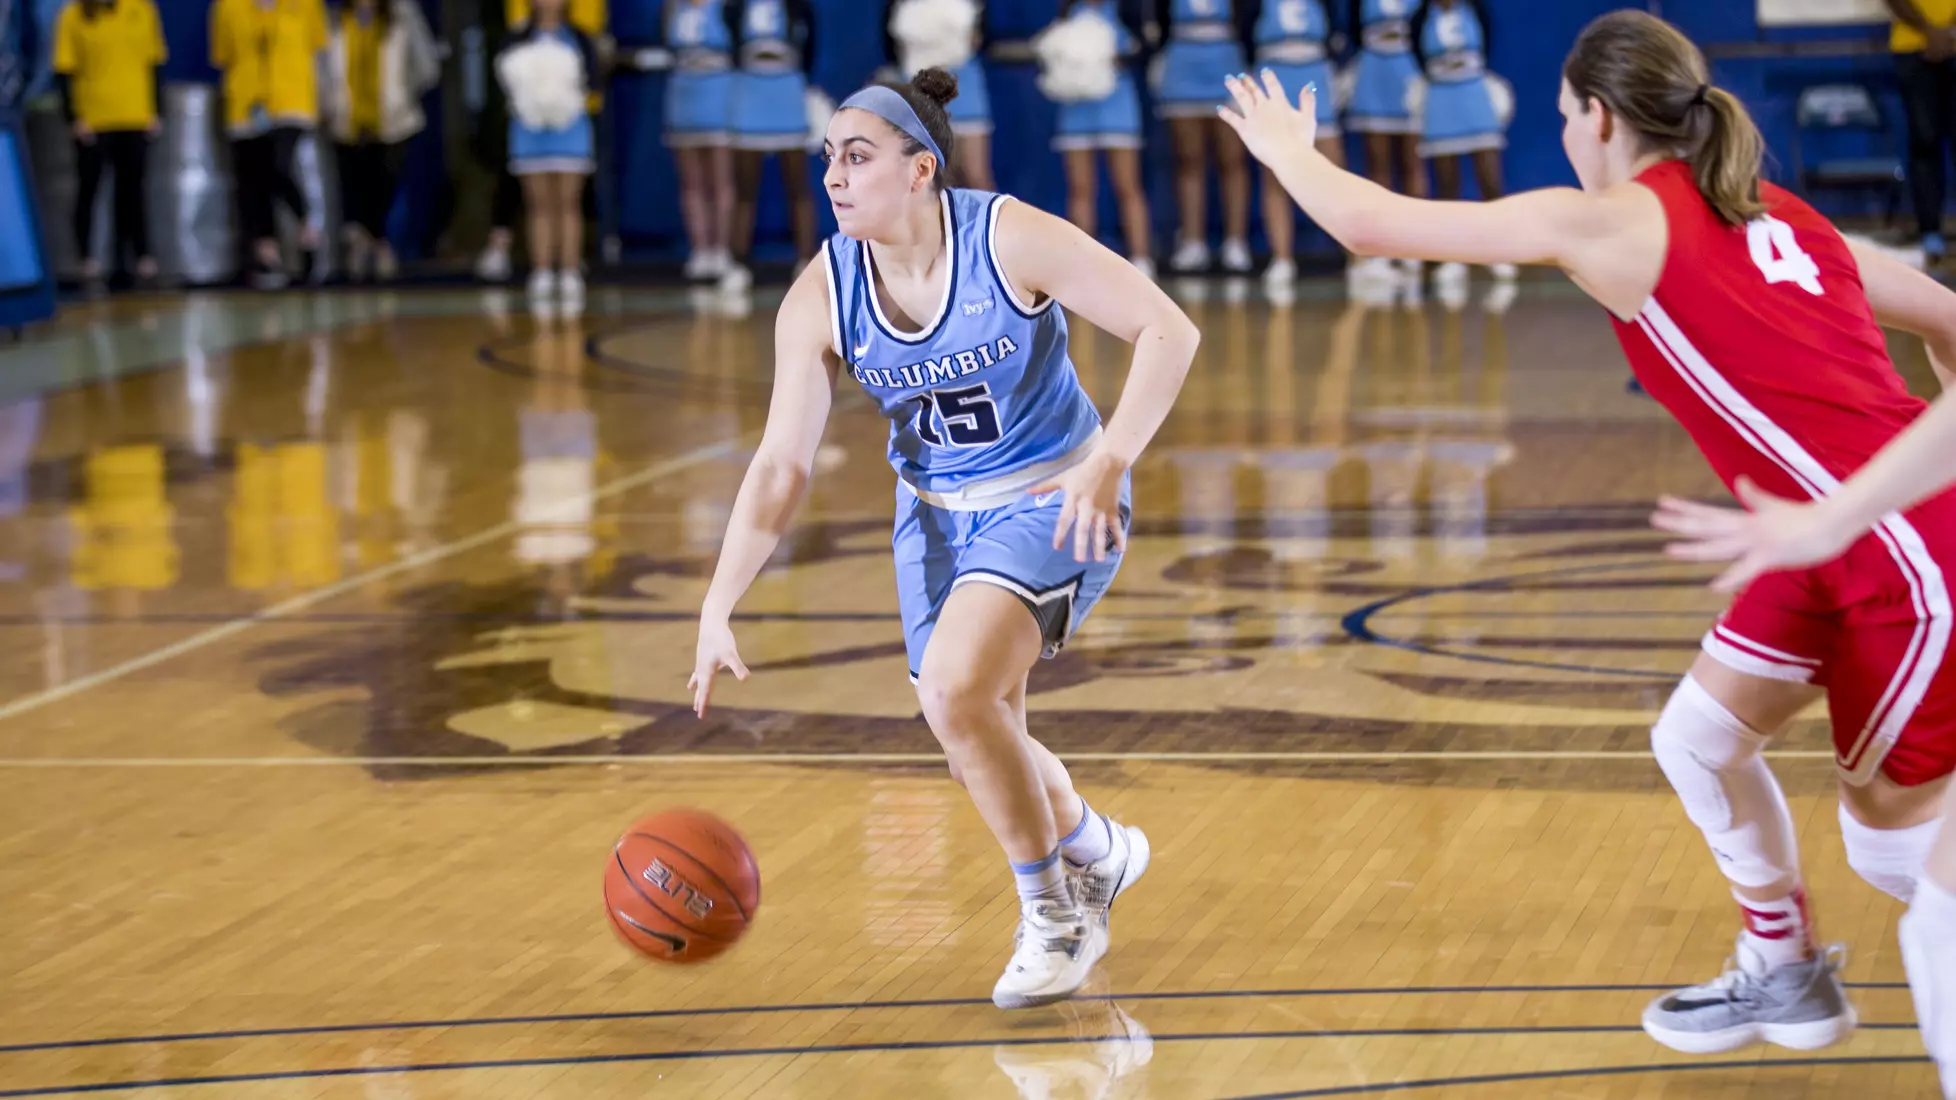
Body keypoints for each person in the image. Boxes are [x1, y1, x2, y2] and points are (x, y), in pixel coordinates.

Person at [1220, 6, 1956, 1069]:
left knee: (1896, 854)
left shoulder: (1611, 220)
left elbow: (1370, 224)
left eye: (1566, 117)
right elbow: (1944, 315)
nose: (1567, 135)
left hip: (1892, 549)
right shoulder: (1784, 213)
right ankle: (1783, 963)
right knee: (1698, 737)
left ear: (1599, 117)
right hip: (1814, 538)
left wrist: (1289, 149)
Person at [687, 68, 1200, 1009]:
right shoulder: (821, 294)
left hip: (1057, 496)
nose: (834, 178)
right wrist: (718, 603)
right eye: (827, 161)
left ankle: (1056, 913)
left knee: (961, 689)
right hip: (931, 518)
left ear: (920, 171)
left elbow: (1166, 331)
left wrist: (1113, 456)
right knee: (971, 720)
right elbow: (780, 464)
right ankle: (1096, 845)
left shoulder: (1008, 236)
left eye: (857, 157)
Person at [210, 0, 329, 289]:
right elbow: (222, 54)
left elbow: (319, 50)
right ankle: (266, 253)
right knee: (252, 180)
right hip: (246, 105)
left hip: (292, 100)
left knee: (279, 166)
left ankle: (307, 230)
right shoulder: (227, 7)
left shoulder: (305, 4)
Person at [51, 0, 166, 294]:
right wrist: (74, 118)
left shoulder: (142, 10)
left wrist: (156, 111)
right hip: (94, 117)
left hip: (135, 114)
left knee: (132, 191)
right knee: (89, 189)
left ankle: (134, 260)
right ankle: (86, 261)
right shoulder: (73, 15)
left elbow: (154, 63)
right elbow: (64, 71)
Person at [322, 0, 439, 283]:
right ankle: (362, 246)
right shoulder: (335, 20)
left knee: (384, 183)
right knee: (354, 186)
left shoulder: (402, 16)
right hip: (346, 120)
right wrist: (326, 102)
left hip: (394, 119)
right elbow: (321, 65)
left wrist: (403, 95)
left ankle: (380, 243)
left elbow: (426, 65)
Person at [1038, 0, 1153, 278]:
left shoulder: (1127, 9)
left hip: (1117, 105)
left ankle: (1142, 261)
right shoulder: (1067, 10)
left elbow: (1144, 48)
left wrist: (1115, 58)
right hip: (1076, 109)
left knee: (1128, 185)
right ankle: (1083, 266)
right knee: (1080, 189)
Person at [498, 0, 599, 309]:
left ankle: (569, 271)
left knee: (568, 203)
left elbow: (593, 80)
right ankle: (542, 271)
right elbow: (505, 81)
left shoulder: (580, 38)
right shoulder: (515, 39)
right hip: (529, 131)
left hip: (571, 129)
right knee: (538, 205)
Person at [1410, 0, 1512, 298]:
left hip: (1474, 95)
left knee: (1490, 181)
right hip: (1440, 99)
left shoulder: (1476, 10)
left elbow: (1488, 45)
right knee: (1447, 186)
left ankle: (1499, 251)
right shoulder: (1420, 17)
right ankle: (1451, 257)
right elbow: (1418, 57)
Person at [723, 0, 819, 293]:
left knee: (798, 185)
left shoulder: (797, 6)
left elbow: (811, 45)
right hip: (749, 91)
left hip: (787, 91)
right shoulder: (735, 7)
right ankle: (737, 264)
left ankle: (805, 261)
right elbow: (731, 43)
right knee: (744, 187)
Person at [1251, 0, 1344, 291]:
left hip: (1314, 78)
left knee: (1334, 174)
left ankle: (1360, 260)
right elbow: (1243, 34)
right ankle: (1282, 258)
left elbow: (1339, 35)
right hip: (1273, 76)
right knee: (1273, 172)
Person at [1153, 0, 1252, 273]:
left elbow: (1249, 19)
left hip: (1227, 60)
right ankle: (1192, 242)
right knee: (1188, 159)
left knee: (1232, 160)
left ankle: (1236, 242)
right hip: (1183, 62)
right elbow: (1158, 21)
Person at [1342, 0, 1422, 285]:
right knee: (1378, 167)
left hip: (1410, 73)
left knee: (1412, 164)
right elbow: (1351, 30)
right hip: (1373, 75)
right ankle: (1382, 245)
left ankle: (1414, 244)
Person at [886, 0, 995, 191]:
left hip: (965, 94)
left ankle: (991, 221)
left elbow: (981, 38)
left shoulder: (970, 6)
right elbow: (894, 47)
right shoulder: (902, 7)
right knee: (939, 182)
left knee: (976, 178)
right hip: (923, 97)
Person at [667, 0, 737, 281]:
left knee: (720, 178)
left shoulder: (728, 6)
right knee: (691, 181)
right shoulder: (673, 7)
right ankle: (700, 250)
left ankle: (722, 249)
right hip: (683, 95)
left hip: (720, 93)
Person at [1887, 0, 1956, 264]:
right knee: (1924, 143)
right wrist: (1930, 31)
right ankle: (1930, 233)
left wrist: (1949, 31)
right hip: (1913, 48)